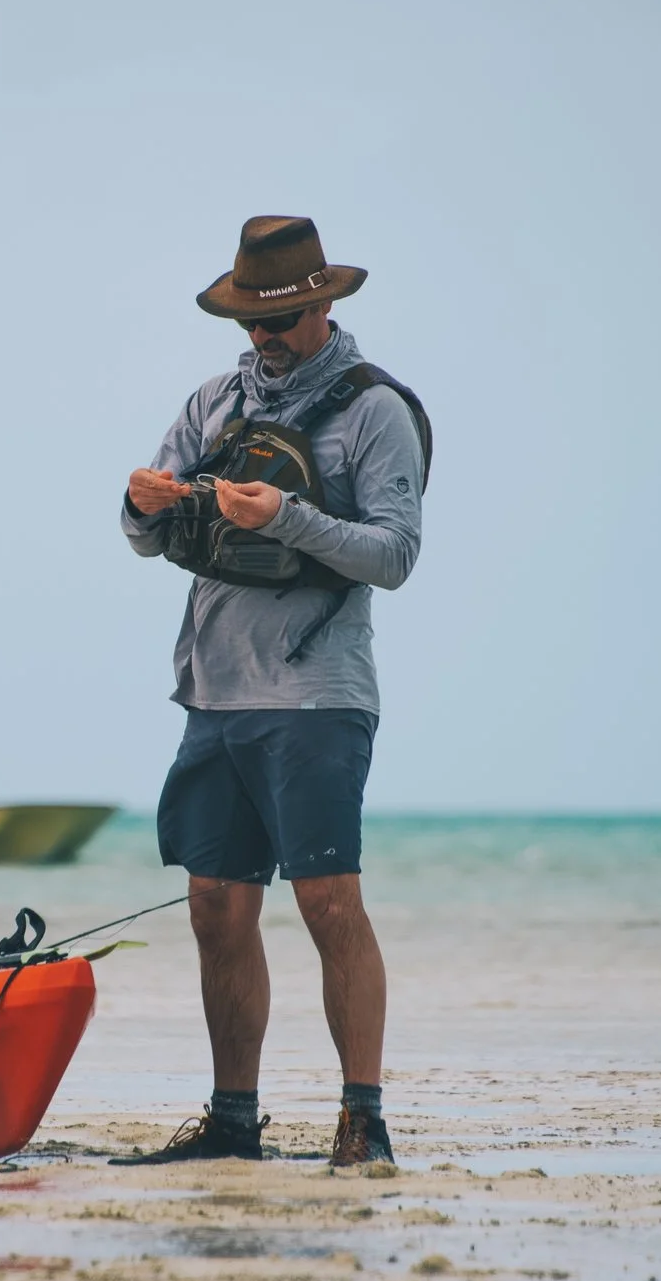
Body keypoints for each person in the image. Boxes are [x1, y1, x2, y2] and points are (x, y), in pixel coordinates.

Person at [114, 215, 428, 1169]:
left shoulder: (377, 410)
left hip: (320, 695)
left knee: (330, 903)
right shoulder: (211, 402)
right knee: (216, 907)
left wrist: (286, 514)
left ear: (323, 304)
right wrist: (141, 506)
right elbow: (139, 537)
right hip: (214, 693)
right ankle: (232, 1122)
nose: (264, 336)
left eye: (281, 318)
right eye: (251, 319)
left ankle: (362, 1123)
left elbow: (395, 555)